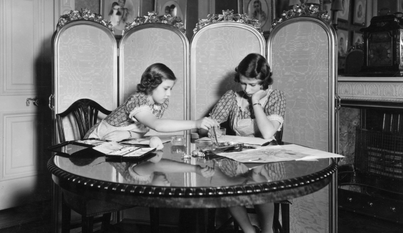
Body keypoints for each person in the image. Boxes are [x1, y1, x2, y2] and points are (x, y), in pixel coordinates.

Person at [207, 53, 286, 233]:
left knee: (258, 180)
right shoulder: (231, 97)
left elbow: (267, 133)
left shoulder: (276, 97)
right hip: (237, 156)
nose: (247, 89)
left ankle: (267, 230)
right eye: (243, 83)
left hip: (267, 157)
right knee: (223, 185)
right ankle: (248, 230)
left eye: (253, 85)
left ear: (264, 82)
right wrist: (214, 131)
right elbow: (210, 124)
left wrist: (256, 101)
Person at [85, 63, 219, 142]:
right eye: (166, 89)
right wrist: (195, 123)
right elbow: (157, 125)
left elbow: (142, 130)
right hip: (96, 140)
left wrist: (128, 134)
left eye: (171, 89)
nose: (169, 94)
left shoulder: (160, 104)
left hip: (118, 142)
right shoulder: (138, 100)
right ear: (151, 85)